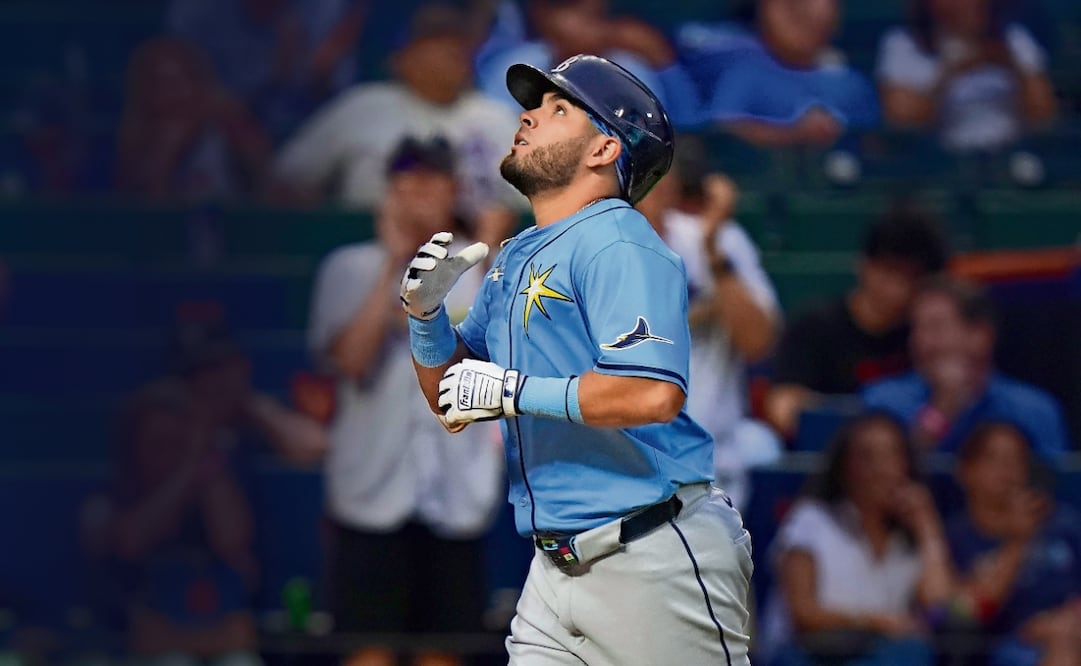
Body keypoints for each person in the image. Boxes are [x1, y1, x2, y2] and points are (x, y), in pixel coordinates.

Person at [400, 54, 753, 665]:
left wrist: (513, 391)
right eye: (536, 105)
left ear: (604, 150)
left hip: (652, 551)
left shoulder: (619, 240)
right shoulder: (517, 254)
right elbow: (453, 400)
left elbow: (651, 394)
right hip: (555, 566)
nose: (528, 116)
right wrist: (426, 321)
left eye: (556, 109)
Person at [307, 135, 503, 666]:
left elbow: (487, 358)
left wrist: (485, 250)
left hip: (456, 489)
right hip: (371, 490)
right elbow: (351, 360)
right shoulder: (348, 267)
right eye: (406, 182)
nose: (417, 194)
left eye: (431, 182)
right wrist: (391, 263)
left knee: (445, 652)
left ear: (454, 191)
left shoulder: (478, 274)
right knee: (366, 651)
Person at [274, 1, 525, 242]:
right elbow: (285, 181)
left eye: (458, 40)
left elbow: (538, 202)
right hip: (371, 252)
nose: (452, 49)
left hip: (470, 262)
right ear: (400, 56)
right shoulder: (363, 107)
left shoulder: (496, 117)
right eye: (436, 39)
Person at [82, 380, 266, 666]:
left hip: (207, 638)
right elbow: (130, 542)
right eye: (159, 445)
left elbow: (234, 544)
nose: (171, 456)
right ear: (132, 449)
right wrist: (189, 469)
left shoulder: (209, 495)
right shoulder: (107, 502)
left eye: (179, 445)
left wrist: (205, 459)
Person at [635, 156, 781, 509]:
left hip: (711, 464)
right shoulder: (591, 251)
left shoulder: (716, 239)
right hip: (630, 465)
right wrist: (699, 312)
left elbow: (758, 341)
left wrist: (713, 252)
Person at [760, 410, 954, 666]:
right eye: (867, 457)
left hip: (878, 656)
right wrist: (875, 622)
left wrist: (927, 528)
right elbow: (803, 614)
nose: (881, 469)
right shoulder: (810, 520)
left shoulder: (909, 537)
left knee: (914, 652)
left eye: (892, 455)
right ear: (845, 466)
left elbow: (939, 608)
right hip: (811, 654)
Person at [764, 205, 950, 441]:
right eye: (890, 272)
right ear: (864, 266)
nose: (900, 290)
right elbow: (782, 406)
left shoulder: (931, 336)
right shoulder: (814, 326)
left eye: (913, 278)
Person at [862, 276, 1070, 458]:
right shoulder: (882, 403)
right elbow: (884, 478)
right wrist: (941, 410)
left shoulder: (1035, 411)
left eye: (936, 328)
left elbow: (1053, 496)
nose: (922, 342)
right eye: (916, 329)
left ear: (981, 336)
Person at [945, 421, 1081, 666]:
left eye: (1017, 460)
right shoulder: (955, 538)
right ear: (965, 470)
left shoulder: (1064, 524)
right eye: (994, 459)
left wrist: (1071, 618)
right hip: (1005, 646)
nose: (1007, 470)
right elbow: (966, 613)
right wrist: (1017, 542)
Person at [474, 0, 701, 127]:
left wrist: (662, 59)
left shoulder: (630, 67)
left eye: (595, 15)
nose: (588, 25)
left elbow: (682, 124)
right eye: (575, 12)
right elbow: (494, 127)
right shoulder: (517, 63)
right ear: (542, 15)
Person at [167, 0, 365, 143]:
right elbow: (181, 91)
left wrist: (319, 69)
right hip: (216, 135)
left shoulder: (323, 9)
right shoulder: (197, 11)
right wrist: (272, 73)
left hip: (309, 136)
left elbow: (335, 102)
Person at [876, 0, 1057, 153]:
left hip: (1010, 157)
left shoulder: (1014, 39)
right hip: (938, 162)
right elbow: (902, 121)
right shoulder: (903, 44)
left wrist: (1013, 69)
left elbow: (1043, 114)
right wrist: (954, 73)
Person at [698, 0, 879, 147]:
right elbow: (721, 132)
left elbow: (877, 147)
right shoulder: (744, 74)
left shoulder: (853, 84)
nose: (802, 12)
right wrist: (793, 135)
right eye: (790, 8)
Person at [116, 37, 273, 202]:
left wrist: (238, 126)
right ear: (146, 92)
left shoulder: (225, 124)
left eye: (187, 79)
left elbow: (266, 182)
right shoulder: (137, 139)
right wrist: (166, 156)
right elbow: (144, 214)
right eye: (167, 84)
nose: (180, 94)